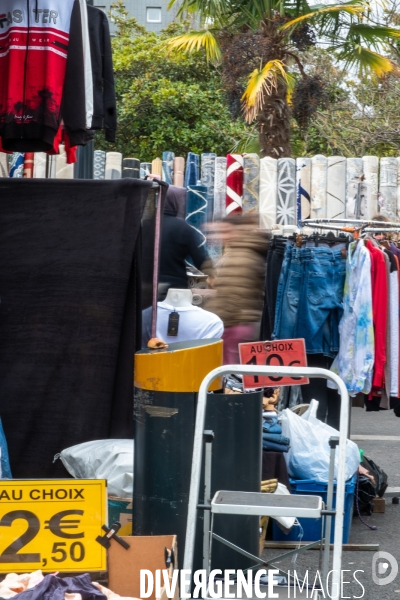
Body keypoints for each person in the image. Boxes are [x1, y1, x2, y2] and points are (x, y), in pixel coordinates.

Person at [207, 214, 269, 364]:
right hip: (240, 324)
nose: (222, 236)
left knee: (230, 374)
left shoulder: (241, 256)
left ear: (239, 231)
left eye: (226, 231)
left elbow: (232, 296)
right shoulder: (240, 253)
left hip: (236, 325)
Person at [159, 186, 213, 294]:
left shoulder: (144, 224)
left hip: (144, 287)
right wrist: (212, 276)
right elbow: (201, 259)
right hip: (174, 289)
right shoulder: (182, 227)